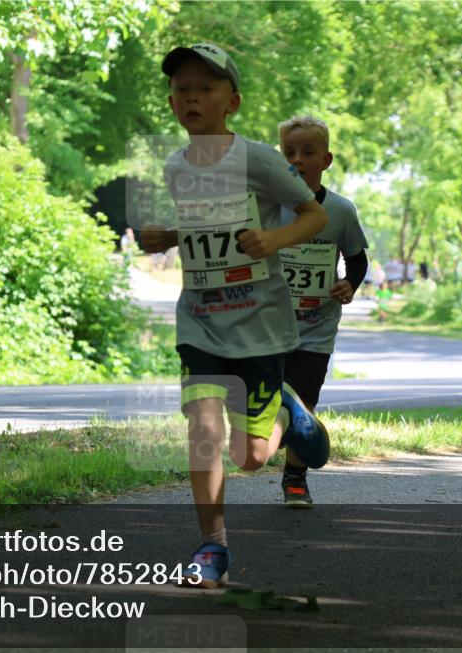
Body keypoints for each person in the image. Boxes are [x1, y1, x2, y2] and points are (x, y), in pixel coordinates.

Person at [143, 43, 330, 587]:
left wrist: (273, 239)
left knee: (250, 458)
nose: (191, 96)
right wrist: (170, 236)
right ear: (173, 103)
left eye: (205, 87)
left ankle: (286, 412)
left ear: (234, 101)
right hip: (199, 320)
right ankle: (212, 547)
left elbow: (312, 215)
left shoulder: (258, 160)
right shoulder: (176, 165)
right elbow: (208, 226)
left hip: (260, 325)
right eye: (182, 88)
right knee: (203, 428)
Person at [276, 115, 369, 507]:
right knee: (265, 400)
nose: (297, 160)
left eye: (307, 153)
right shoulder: (267, 208)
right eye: (289, 153)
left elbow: (357, 260)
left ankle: (295, 480)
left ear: (326, 160)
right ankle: (287, 433)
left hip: (316, 329)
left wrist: (349, 283)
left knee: (304, 403)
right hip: (267, 325)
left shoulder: (341, 211)